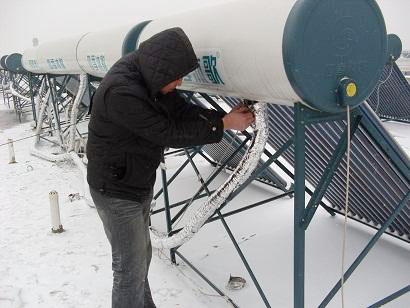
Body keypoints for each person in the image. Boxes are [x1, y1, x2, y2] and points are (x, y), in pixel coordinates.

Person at [86, 27, 255, 308]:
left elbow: (180, 111)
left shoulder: (146, 77)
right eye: (178, 77)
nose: (179, 83)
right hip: (116, 190)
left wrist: (221, 117)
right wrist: (224, 125)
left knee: (141, 258)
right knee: (129, 268)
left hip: (133, 181)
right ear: (162, 70)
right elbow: (168, 132)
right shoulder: (123, 92)